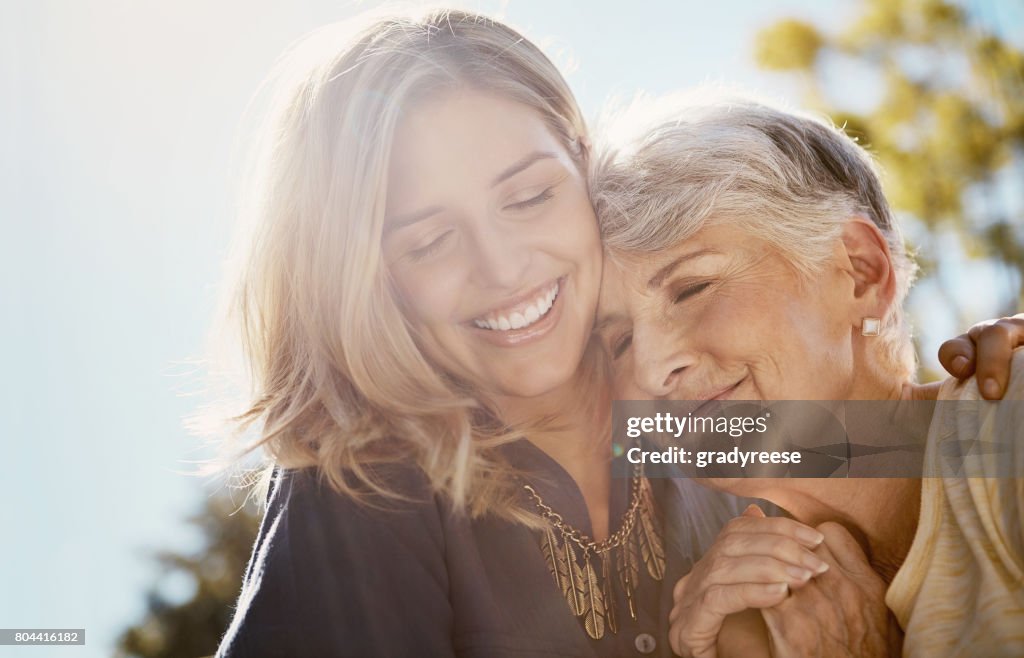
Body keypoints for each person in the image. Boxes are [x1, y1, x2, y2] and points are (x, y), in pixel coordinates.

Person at [201, 8, 1021, 657]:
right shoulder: (368, 487)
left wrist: (987, 403)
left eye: (527, 197)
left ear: (576, 165)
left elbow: (906, 427)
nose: (503, 266)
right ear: (369, 279)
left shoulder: (732, 450)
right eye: (428, 240)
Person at [588, 89, 1024, 657]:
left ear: (859, 272)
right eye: (618, 342)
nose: (652, 368)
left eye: (692, 288)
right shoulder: (750, 618)